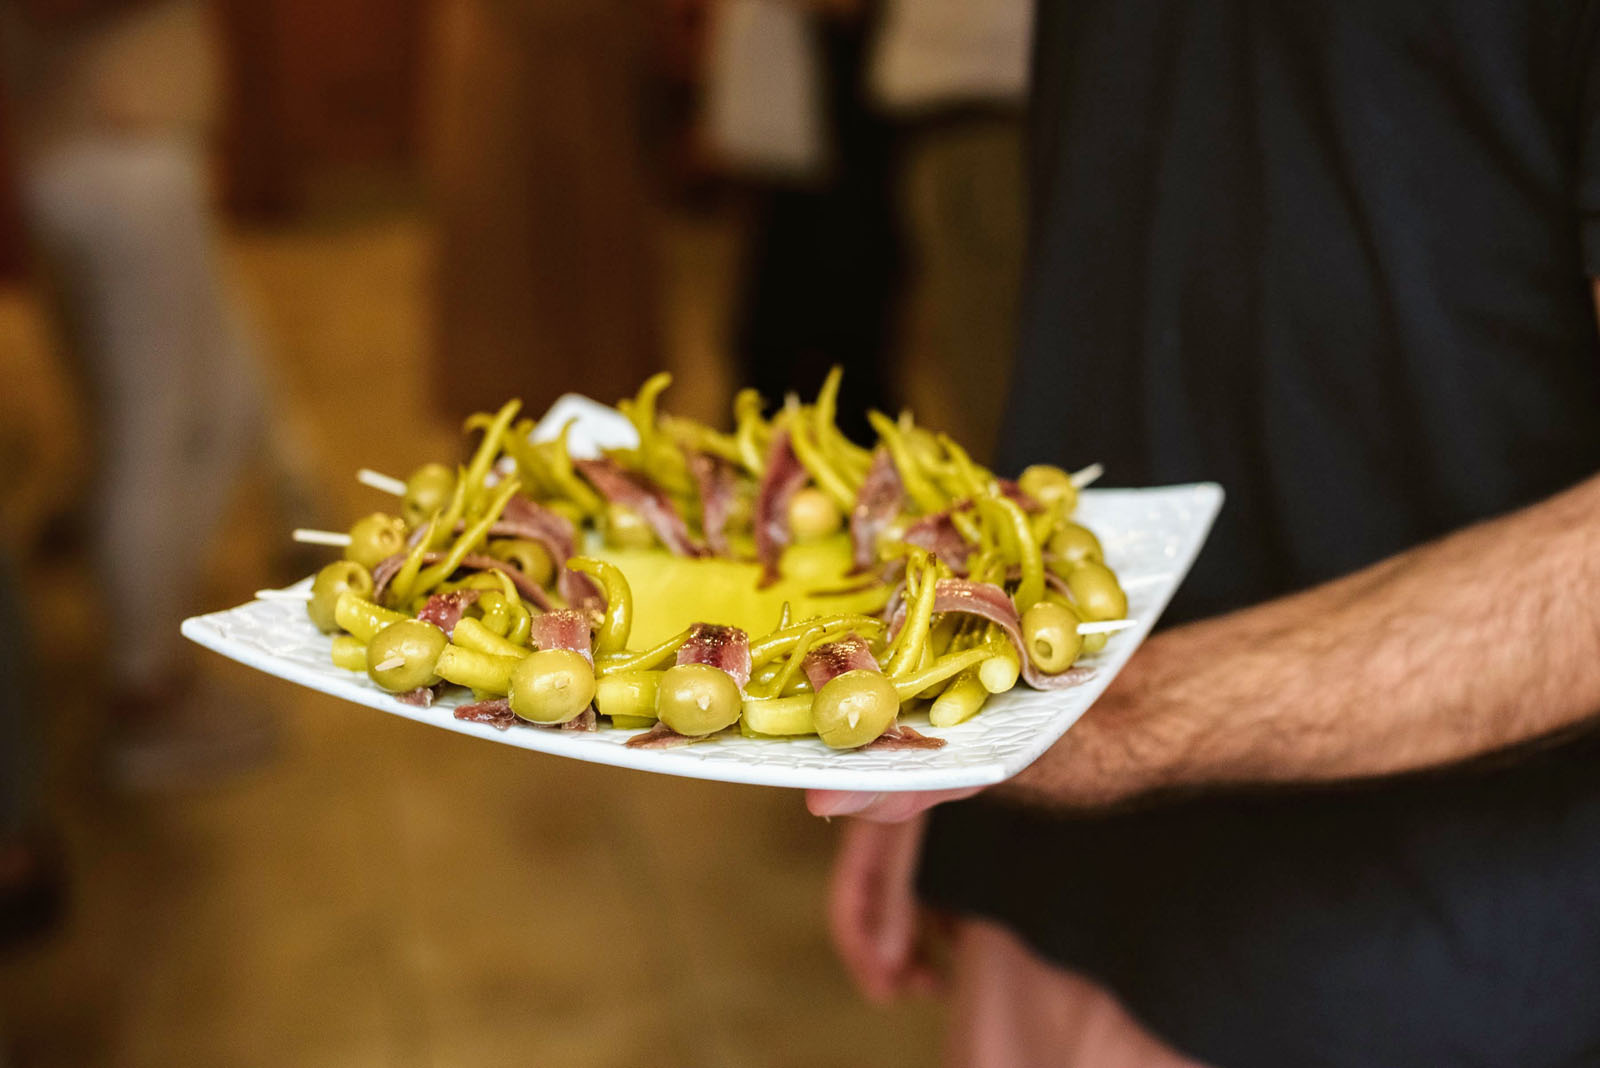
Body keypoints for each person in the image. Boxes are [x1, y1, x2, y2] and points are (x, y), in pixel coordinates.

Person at [812, 3, 1600, 1066]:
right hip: (1049, 883)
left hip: (1391, 959)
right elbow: (1134, 248)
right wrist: (939, 713)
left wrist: (1106, 716)